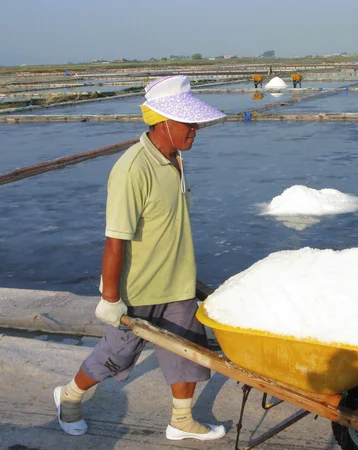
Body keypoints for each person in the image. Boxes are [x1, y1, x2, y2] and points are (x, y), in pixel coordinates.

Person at [53, 75, 227, 442]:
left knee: (187, 352)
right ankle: (69, 397)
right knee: (116, 355)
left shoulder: (175, 158)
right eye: (188, 122)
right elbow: (115, 240)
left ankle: (181, 420)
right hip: (137, 290)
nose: (196, 128)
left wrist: (189, 277)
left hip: (177, 284)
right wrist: (110, 299)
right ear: (162, 121)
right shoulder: (133, 170)